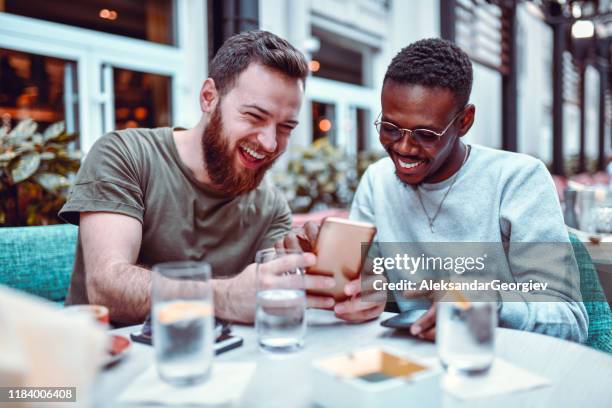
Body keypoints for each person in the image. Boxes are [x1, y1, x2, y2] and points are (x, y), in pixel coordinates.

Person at [288, 38, 588, 343]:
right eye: (390, 128)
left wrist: (490, 304)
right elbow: (370, 286)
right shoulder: (377, 181)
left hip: (495, 363)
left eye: (425, 134)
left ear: (464, 121)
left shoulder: (518, 180)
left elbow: (570, 320)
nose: (403, 148)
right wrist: (351, 286)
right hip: (408, 361)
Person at [59, 30, 343, 325]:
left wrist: (337, 287)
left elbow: (273, 293)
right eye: (254, 116)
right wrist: (225, 296)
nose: (271, 143)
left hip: (216, 362)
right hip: (101, 360)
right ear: (209, 98)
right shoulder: (125, 155)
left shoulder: (269, 207)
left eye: (286, 127)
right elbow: (106, 289)